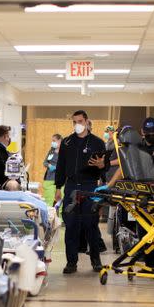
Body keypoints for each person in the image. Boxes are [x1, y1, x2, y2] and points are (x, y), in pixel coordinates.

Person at [103, 117, 154, 272]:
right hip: (143, 196)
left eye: (153, 132)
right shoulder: (137, 148)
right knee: (144, 230)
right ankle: (148, 265)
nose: (150, 136)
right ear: (142, 132)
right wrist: (108, 186)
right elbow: (122, 169)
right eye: (147, 133)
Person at [54, 110, 107, 274]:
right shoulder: (67, 142)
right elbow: (61, 166)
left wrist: (101, 166)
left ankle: (96, 261)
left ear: (86, 122)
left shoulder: (97, 142)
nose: (77, 124)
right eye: (74, 122)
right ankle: (71, 262)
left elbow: (104, 168)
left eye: (80, 121)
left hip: (90, 186)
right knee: (71, 225)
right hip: (71, 187)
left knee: (91, 224)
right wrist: (58, 188)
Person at [42, 133, 62, 204]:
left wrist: (58, 167)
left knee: (61, 201)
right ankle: (49, 215)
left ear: (60, 141)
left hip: (60, 180)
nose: (52, 142)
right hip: (49, 179)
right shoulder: (52, 151)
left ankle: (60, 215)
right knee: (49, 200)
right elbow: (45, 162)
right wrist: (49, 166)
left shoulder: (64, 152)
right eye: (52, 141)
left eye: (54, 140)